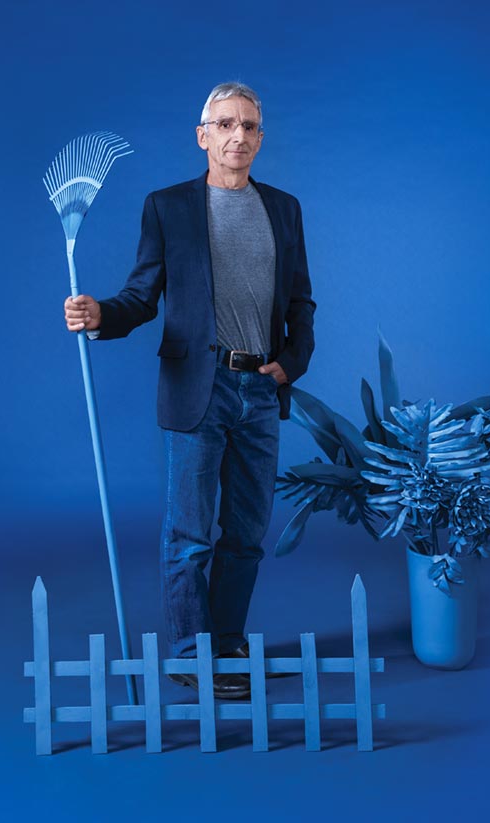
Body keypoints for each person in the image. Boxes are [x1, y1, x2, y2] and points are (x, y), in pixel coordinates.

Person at [63, 82, 315, 699]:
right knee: (190, 533)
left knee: (246, 533)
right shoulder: (168, 207)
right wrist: (101, 316)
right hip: (195, 388)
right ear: (202, 135)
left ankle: (227, 644)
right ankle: (189, 653)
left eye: (249, 126)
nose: (238, 136)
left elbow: (301, 302)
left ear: (260, 137)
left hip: (259, 388)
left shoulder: (283, 208)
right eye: (225, 125)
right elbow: (139, 296)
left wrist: (289, 365)